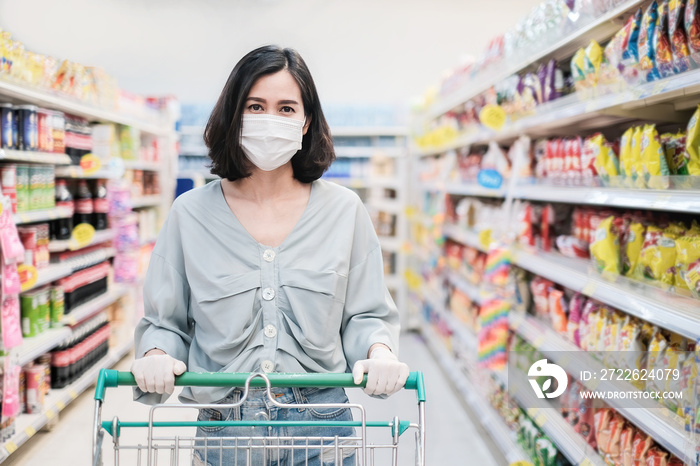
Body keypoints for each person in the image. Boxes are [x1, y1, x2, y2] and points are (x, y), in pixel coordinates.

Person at [130, 45, 409, 466]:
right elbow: (164, 322)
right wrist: (155, 355)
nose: (269, 121)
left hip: (323, 423)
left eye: (285, 108)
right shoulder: (190, 215)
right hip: (225, 425)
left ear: (306, 121)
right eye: (255, 106)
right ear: (233, 116)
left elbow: (366, 315)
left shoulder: (344, 211)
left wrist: (380, 352)